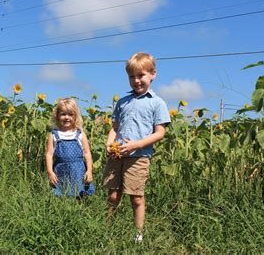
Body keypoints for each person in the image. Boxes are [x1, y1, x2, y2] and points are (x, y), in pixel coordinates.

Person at [103, 52, 171, 242]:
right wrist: (109, 143)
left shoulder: (157, 103)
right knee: (113, 195)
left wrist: (137, 144)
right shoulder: (122, 102)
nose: (136, 80)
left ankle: (138, 234)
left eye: (140, 75)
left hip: (139, 157)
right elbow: (114, 128)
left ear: (153, 74)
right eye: (132, 76)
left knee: (136, 197)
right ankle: (106, 230)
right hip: (117, 156)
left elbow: (160, 132)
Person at [45, 98, 95, 198]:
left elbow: (87, 153)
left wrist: (89, 171)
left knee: (79, 195)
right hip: (60, 170)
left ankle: (78, 212)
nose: (67, 117)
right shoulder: (54, 135)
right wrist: (50, 172)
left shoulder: (80, 134)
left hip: (78, 170)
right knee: (60, 195)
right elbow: (49, 154)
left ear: (75, 116)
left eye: (70, 114)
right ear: (57, 116)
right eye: (63, 114)